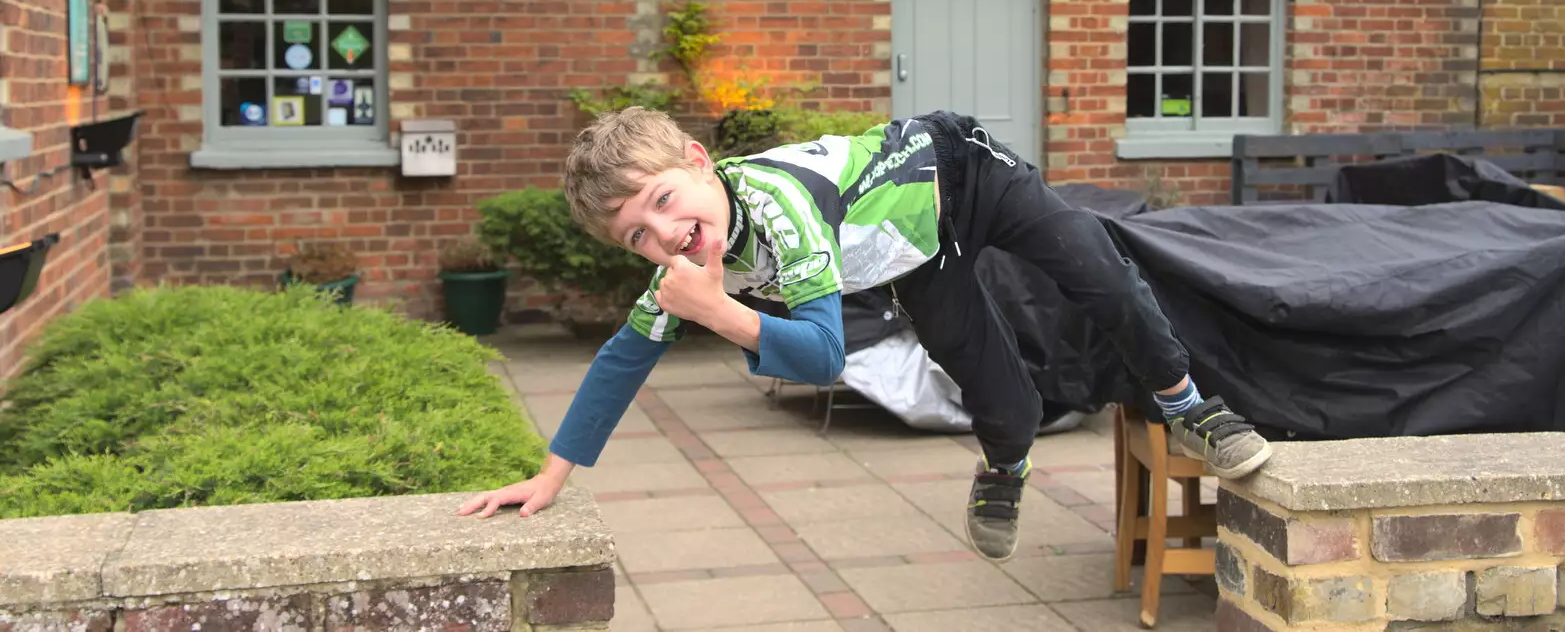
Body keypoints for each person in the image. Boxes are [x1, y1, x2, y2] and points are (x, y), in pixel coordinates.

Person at [457, 108, 1272, 562]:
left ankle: (1192, 405)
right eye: (637, 233)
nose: (665, 235)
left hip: (964, 175)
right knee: (982, 375)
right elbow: (618, 363)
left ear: (702, 163)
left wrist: (720, 314)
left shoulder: (777, 206)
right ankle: (1008, 462)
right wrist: (550, 477)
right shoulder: (694, 270)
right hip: (911, 252)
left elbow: (823, 355)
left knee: (1096, 269)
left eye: (666, 201)